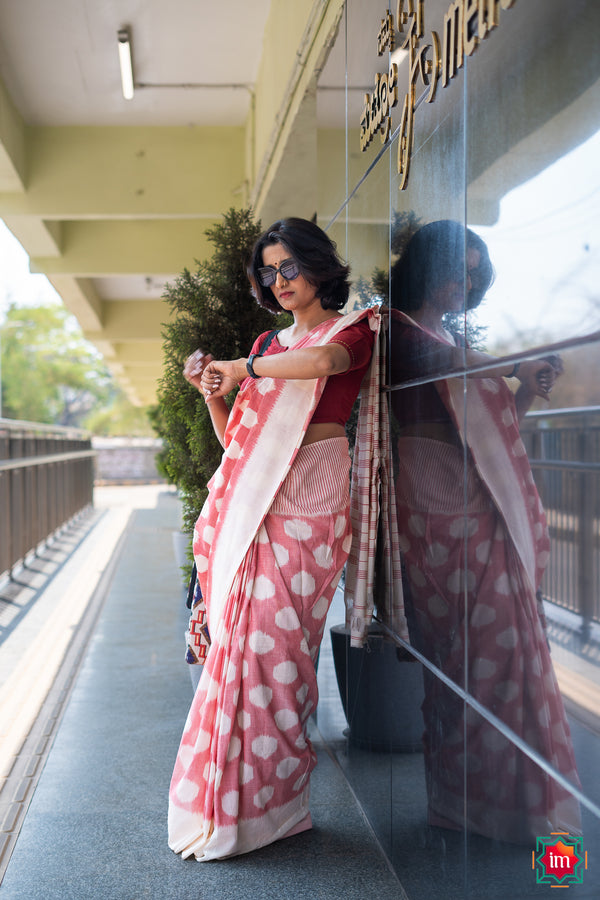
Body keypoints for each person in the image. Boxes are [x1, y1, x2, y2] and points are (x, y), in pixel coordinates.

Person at [168, 217, 377, 861]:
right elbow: (238, 442)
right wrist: (212, 393)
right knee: (240, 650)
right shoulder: (266, 343)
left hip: (311, 503)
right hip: (256, 503)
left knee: (279, 654)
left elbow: (319, 363)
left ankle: (274, 806)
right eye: (269, 271)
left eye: (290, 266)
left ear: (318, 265)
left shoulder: (352, 331)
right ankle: (231, 807)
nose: (280, 280)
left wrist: (243, 366)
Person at [388, 220, 581, 843]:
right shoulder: (402, 333)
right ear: (423, 266)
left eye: (474, 271)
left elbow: (496, 433)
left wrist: (522, 387)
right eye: (454, 267)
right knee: (465, 661)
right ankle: (470, 800)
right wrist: (512, 363)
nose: (462, 281)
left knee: (503, 658)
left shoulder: (446, 335)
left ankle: (498, 806)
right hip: (433, 505)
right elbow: (448, 364)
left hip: (473, 500)